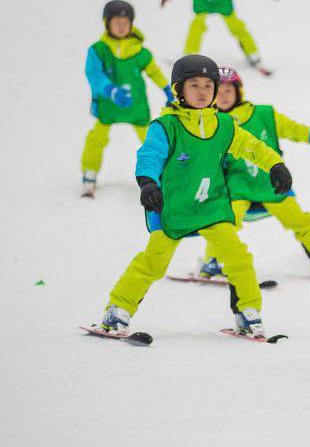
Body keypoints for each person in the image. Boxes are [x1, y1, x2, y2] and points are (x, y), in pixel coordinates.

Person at [94, 55, 293, 339]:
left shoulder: (224, 125)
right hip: (174, 206)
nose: (202, 92)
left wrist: (275, 164)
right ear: (179, 90)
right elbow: (149, 155)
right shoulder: (166, 126)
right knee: (154, 260)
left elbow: (252, 146)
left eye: (208, 86)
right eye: (194, 85)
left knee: (238, 257)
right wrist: (148, 183)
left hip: (211, 206)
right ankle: (117, 310)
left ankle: (248, 313)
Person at [199, 66, 310, 287]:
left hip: (271, 184)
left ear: (238, 91)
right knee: (225, 219)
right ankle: (211, 263)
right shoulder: (212, 124)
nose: (223, 97)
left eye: (228, 91)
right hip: (237, 187)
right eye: (218, 92)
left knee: (300, 220)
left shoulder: (264, 114)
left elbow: (293, 129)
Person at [81, 0, 172, 197]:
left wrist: (167, 88)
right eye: (117, 22)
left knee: (151, 139)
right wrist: (110, 90)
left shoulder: (139, 51)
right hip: (108, 105)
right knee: (96, 139)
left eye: (125, 22)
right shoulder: (99, 50)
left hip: (136, 105)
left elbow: (154, 71)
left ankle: (163, 173)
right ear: (107, 24)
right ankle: (90, 172)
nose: (122, 26)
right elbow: (94, 74)